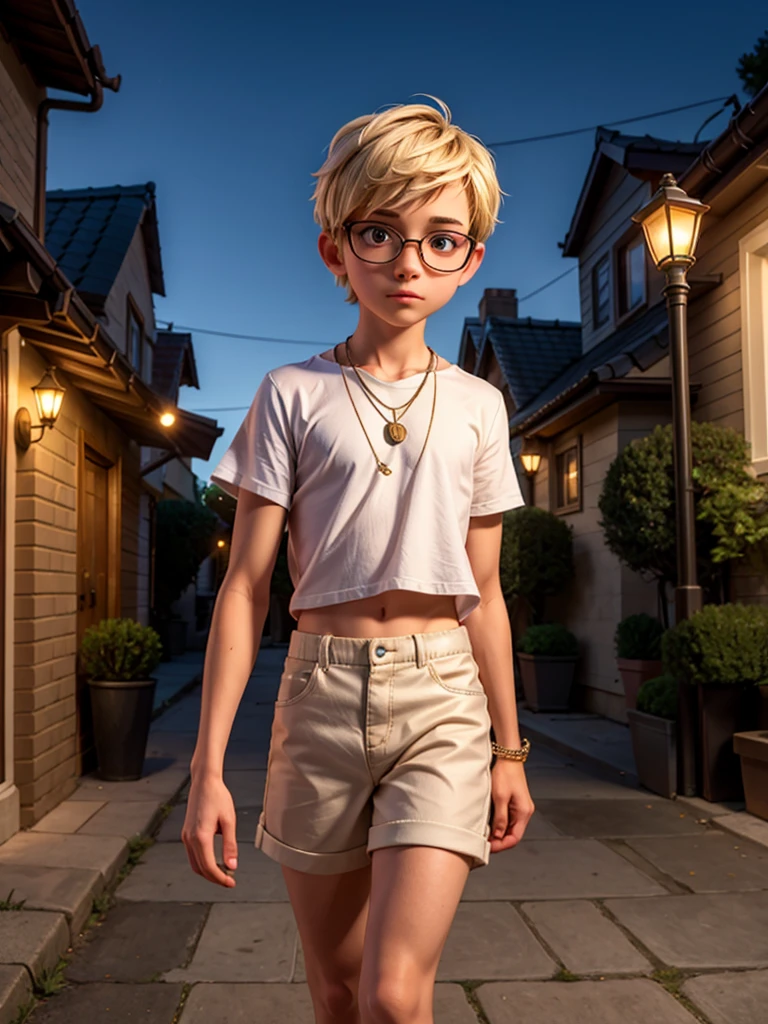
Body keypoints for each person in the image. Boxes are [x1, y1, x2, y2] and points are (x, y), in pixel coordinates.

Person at [182, 96, 535, 1024]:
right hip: (319, 696)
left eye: (441, 237)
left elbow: (486, 594)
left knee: (392, 994)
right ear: (337, 250)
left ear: (473, 258)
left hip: (443, 701)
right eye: (380, 233)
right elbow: (246, 587)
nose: (410, 261)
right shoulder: (289, 394)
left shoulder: (478, 408)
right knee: (337, 992)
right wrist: (207, 769)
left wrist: (509, 748)